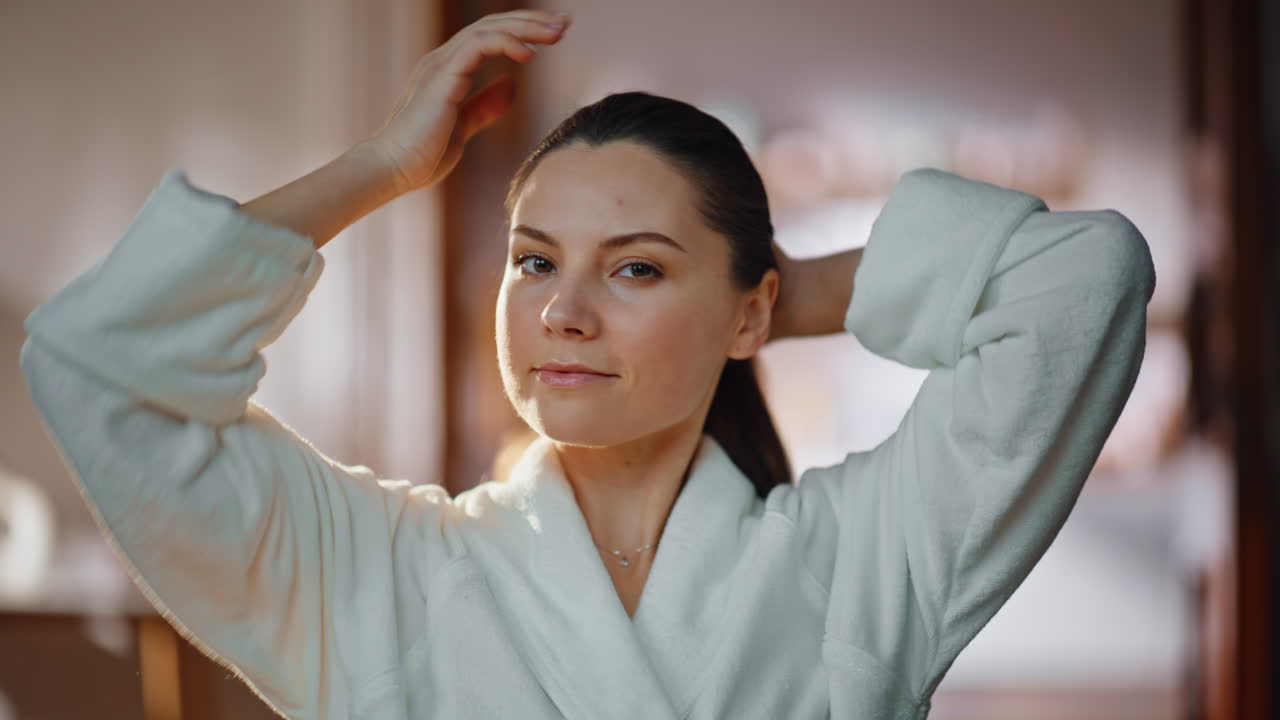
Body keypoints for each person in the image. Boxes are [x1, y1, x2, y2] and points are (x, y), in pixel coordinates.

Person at [18, 8, 1156, 720]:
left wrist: (780, 296)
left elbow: (1084, 280)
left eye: (635, 270)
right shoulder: (380, 575)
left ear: (744, 313)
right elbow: (98, 365)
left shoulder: (856, 568)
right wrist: (378, 165)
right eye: (532, 261)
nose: (560, 311)